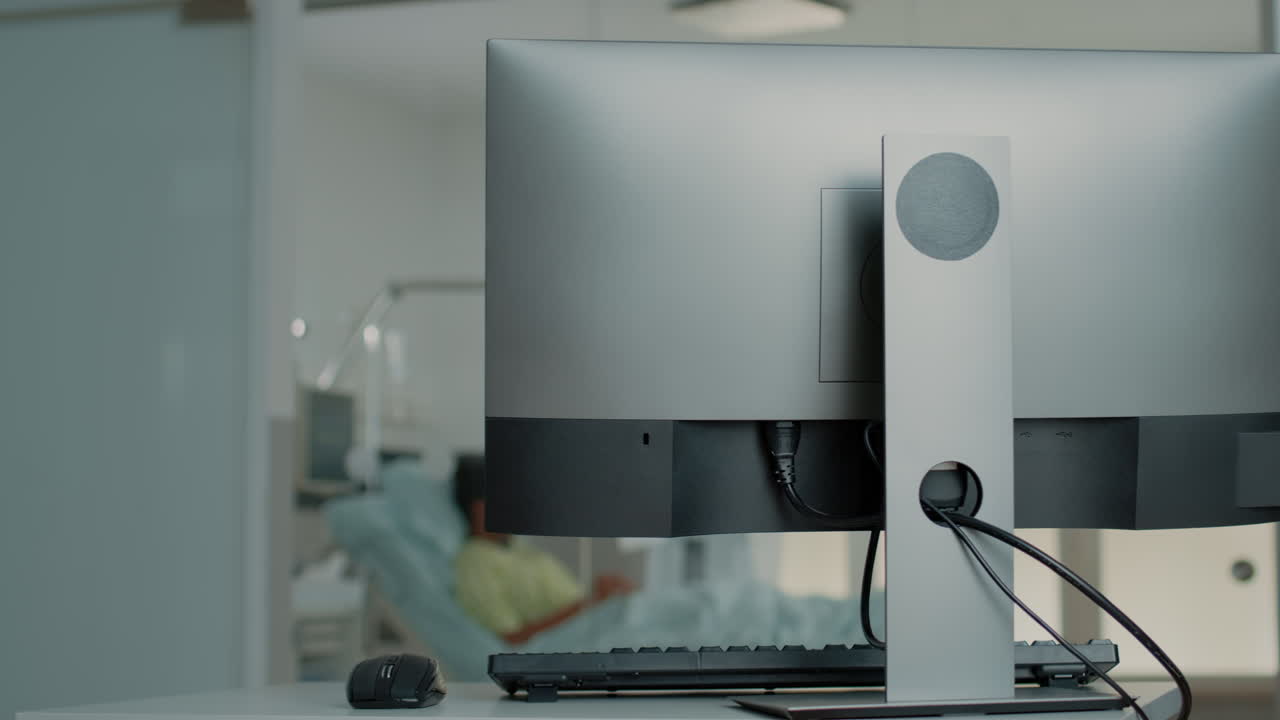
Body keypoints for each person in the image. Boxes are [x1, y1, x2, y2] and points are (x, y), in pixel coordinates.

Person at [451, 456, 636, 645]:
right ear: (479, 507)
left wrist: (609, 596)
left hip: (605, 625)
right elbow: (512, 639)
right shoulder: (474, 563)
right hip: (582, 640)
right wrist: (594, 602)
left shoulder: (519, 549)